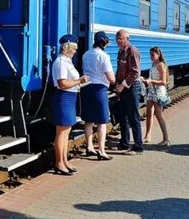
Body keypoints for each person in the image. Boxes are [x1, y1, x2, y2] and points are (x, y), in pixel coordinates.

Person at [51, 34, 89, 175]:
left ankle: (64, 160)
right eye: (73, 48)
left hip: (70, 97)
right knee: (61, 132)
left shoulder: (67, 61)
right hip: (64, 97)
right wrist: (79, 81)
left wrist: (79, 82)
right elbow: (62, 83)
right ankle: (59, 163)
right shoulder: (61, 62)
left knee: (66, 131)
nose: (75, 51)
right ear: (67, 47)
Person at [81, 31, 115, 160]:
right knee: (102, 121)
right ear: (104, 42)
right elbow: (110, 77)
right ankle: (101, 150)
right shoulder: (104, 56)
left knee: (89, 120)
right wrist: (115, 82)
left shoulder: (86, 54)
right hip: (99, 89)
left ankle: (89, 147)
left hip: (86, 88)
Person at [114, 29, 144, 154]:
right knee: (123, 116)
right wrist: (117, 83)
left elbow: (135, 72)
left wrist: (123, 85)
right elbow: (119, 69)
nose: (118, 41)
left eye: (121, 39)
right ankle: (124, 143)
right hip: (123, 88)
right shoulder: (121, 51)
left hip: (132, 87)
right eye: (117, 39)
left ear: (127, 38)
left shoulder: (132, 51)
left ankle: (138, 146)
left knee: (133, 116)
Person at [142, 47, 170, 146]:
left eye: (153, 55)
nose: (151, 57)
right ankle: (147, 135)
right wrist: (146, 80)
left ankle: (166, 139)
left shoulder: (161, 65)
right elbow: (153, 77)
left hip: (158, 93)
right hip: (151, 91)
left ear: (158, 54)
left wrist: (151, 81)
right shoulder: (153, 64)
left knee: (159, 116)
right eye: (150, 55)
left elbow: (164, 82)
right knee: (149, 113)